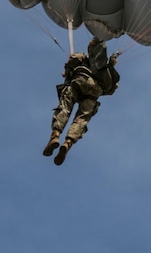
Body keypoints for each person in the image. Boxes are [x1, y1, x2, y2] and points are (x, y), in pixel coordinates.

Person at [43, 36, 120, 165]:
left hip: (80, 80)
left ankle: (55, 135)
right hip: (95, 92)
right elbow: (112, 89)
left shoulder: (83, 57)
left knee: (65, 107)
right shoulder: (108, 72)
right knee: (82, 119)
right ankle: (67, 144)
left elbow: (73, 59)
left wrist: (67, 70)